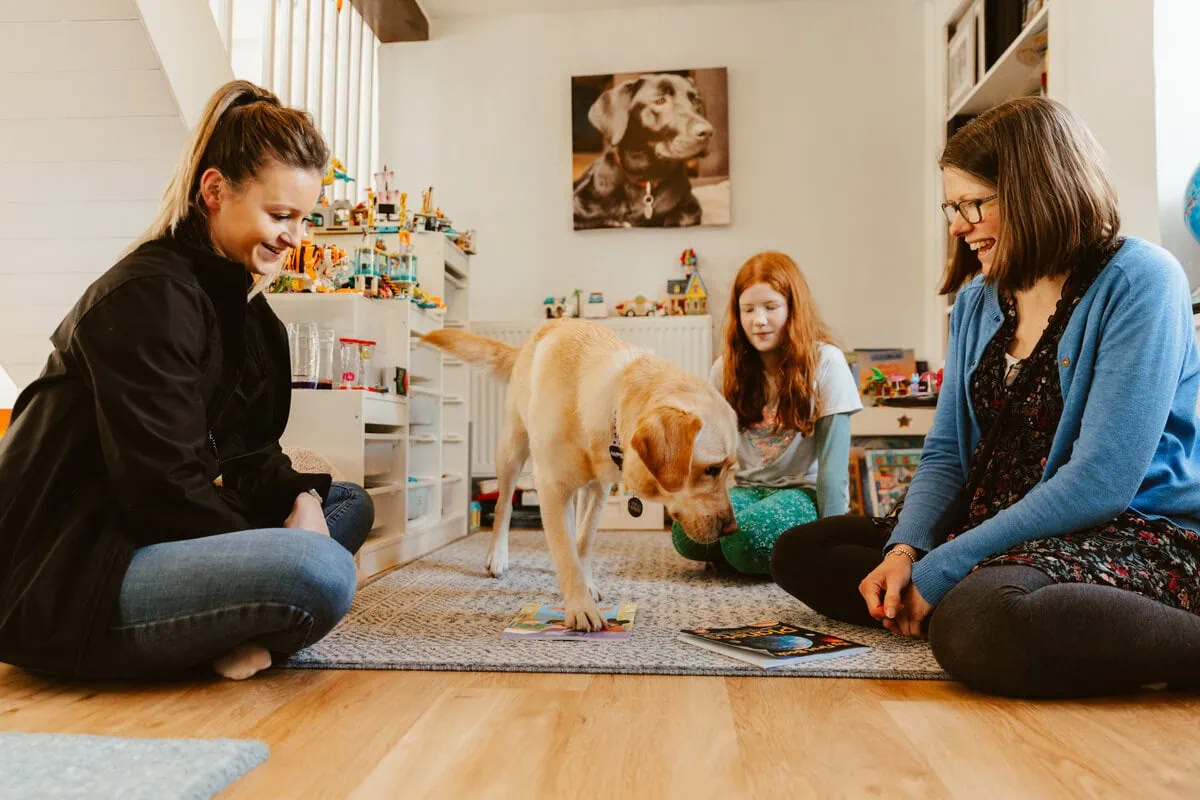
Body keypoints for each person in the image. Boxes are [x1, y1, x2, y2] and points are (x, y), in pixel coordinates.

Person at [771, 97, 1200, 698]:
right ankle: (985, 602)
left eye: (973, 204)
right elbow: (947, 451)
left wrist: (942, 569)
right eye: (952, 207)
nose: (957, 225)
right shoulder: (978, 300)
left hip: (1122, 527)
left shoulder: (1140, 280)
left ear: (1037, 191)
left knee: (979, 620)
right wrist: (905, 553)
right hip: (997, 522)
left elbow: (1100, 483)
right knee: (802, 550)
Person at [0, 80, 374, 681]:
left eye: (304, 219)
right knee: (319, 569)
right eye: (281, 216)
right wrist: (288, 544)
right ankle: (235, 631)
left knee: (347, 504)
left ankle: (231, 633)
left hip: (152, 533)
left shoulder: (247, 309)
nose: (296, 238)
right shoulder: (148, 296)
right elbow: (161, 491)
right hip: (75, 570)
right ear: (215, 191)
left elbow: (253, 454)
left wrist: (301, 502)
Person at [672, 251, 862, 574]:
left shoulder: (827, 362)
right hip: (748, 488)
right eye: (748, 310)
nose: (758, 320)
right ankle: (754, 556)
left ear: (793, 309)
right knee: (686, 535)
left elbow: (833, 470)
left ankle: (751, 555)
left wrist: (829, 542)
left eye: (771, 307)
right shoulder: (724, 370)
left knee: (743, 539)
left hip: (801, 493)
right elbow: (706, 452)